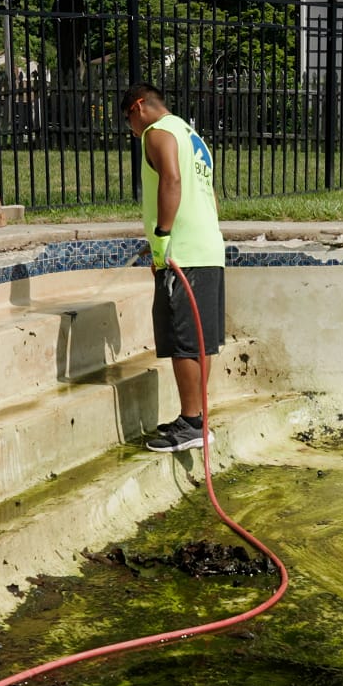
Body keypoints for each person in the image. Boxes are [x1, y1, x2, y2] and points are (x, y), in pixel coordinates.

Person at [121, 83, 226, 452]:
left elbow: (172, 179)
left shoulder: (158, 132)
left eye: (129, 123)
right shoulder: (191, 134)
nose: (132, 133)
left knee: (184, 341)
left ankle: (193, 424)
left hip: (183, 252)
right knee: (200, 341)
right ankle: (196, 417)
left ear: (138, 108)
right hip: (208, 249)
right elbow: (210, 193)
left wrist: (163, 238)